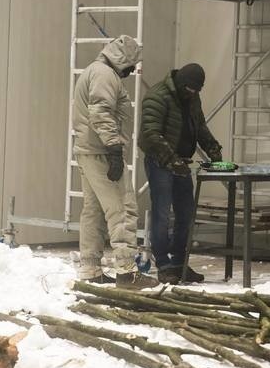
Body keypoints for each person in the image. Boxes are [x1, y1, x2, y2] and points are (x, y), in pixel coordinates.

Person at [72, 35, 155, 287]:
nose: (132, 70)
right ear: (122, 59)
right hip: (102, 151)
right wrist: (114, 148)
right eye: (132, 64)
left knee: (93, 212)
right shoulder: (105, 75)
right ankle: (127, 270)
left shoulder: (94, 71)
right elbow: (101, 112)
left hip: (89, 150)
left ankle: (90, 270)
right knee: (122, 209)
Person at [139, 63, 222, 284]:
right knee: (162, 214)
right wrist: (171, 159)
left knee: (185, 215)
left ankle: (179, 263)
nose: (192, 93)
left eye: (196, 90)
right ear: (180, 83)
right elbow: (150, 134)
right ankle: (164, 265)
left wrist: (213, 147)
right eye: (189, 89)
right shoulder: (157, 96)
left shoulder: (192, 97)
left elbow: (200, 126)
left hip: (182, 163)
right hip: (160, 163)